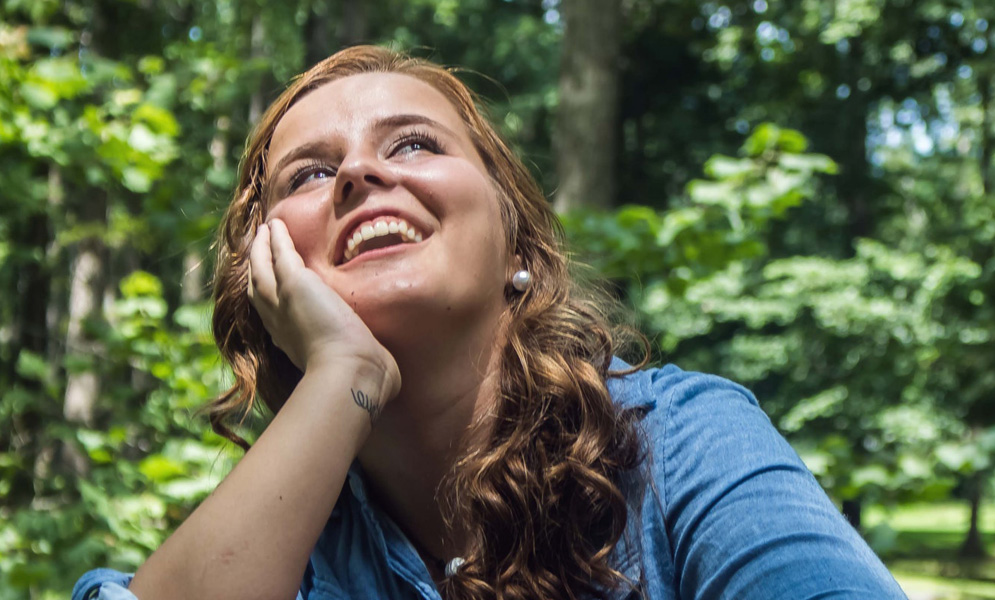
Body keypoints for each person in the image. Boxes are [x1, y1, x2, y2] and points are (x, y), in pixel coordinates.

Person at [72, 45, 905, 600]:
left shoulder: (681, 445)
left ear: (520, 248)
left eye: (412, 146)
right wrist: (342, 377)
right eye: (311, 172)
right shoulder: (284, 549)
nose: (359, 172)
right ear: (268, 273)